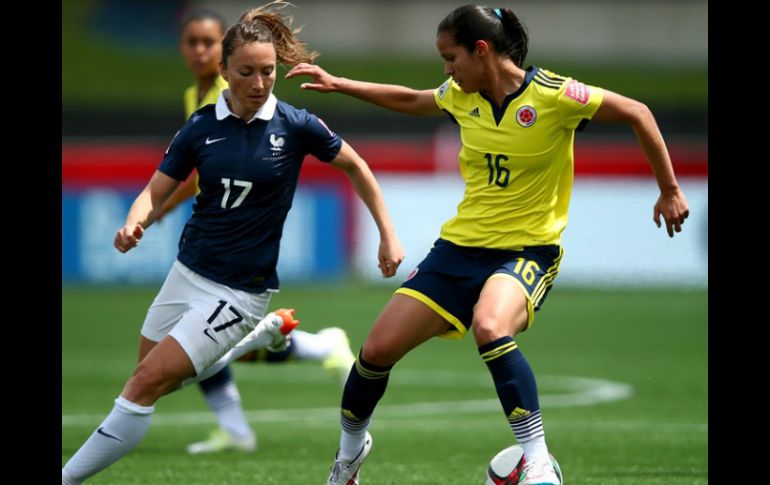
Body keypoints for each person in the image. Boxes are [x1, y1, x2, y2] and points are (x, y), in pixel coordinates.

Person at [286, 5, 690, 485]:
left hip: (527, 252)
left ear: (482, 51)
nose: (446, 71)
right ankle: (348, 459)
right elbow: (414, 100)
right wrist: (341, 84)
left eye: (450, 57)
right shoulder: (461, 95)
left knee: (490, 325)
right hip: (458, 250)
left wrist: (668, 188)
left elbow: (637, 113)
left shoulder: (555, 95)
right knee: (375, 350)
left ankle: (538, 457)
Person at [60, 2, 404, 483]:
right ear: (223, 70)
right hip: (186, 273)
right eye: (246, 71)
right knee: (155, 381)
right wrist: (134, 222)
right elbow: (155, 190)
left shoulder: (295, 124)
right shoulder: (201, 127)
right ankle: (259, 339)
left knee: (142, 386)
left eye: (268, 72)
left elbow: (356, 165)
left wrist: (387, 235)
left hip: (240, 290)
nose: (260, 83)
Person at [167, 7, 360, 456]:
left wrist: (159, 204)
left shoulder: (237, 89)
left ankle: (308, 354)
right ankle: (241, 419)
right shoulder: (194, 96)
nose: (199, 50)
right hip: (212, 229)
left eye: (209, 42)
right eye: (191, 41)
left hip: (243, 242)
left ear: (224, 51)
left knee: (200, 336)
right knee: (200, 333)